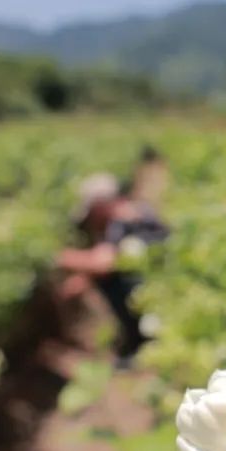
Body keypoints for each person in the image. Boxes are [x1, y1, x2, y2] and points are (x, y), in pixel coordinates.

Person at [57, 148, 169, 367]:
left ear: (101, 204)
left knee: (113, 280)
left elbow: (103, 263)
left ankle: (142, 345)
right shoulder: (134, 211)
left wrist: (57, 258)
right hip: (162, 284)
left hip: (157, 291)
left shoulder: (124, 219)